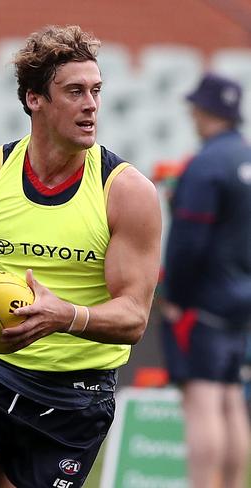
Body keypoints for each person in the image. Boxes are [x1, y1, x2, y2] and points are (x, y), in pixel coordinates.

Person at [0, 25, 162, 488]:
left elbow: (133, 316)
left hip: (74, 401)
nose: (91, 105)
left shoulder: (127, 193)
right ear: (35, 98)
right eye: (74, 91)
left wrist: (66, 316)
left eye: (96, 91)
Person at [160, 72, 251, 488]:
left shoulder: (206, 163)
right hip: (242, 300)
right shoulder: (244, 158)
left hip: (206, 302)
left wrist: (175, 296)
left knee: (204, 401)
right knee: (232, 398)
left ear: (205, 111)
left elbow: (188, 241)